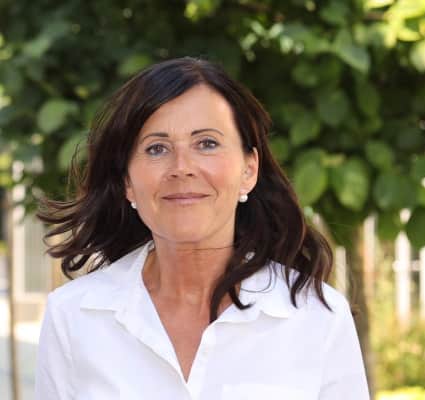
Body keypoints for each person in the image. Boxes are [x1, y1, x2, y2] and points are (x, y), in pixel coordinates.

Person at [35, 57, 370, 399]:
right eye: (157, 148)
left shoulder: (318, 317)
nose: (182, 167)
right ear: (127, 182)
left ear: (249, 170)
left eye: (207, 143)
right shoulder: (73, 317)